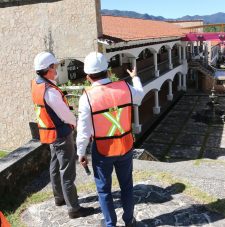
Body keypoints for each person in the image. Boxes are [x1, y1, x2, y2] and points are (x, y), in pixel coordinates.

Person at [76, 52, 144, 227]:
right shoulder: (125, 88)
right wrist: (135, 78)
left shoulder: (87, 98)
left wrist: (81, 152)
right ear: (107, 71)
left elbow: (83, 131)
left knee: (104, 191)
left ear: (88, 76)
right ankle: (129, 221)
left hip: (103, 149)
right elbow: (140, 95)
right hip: (125, 146)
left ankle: (110, 224)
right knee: (127, 187)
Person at [31, 51, 93, 219]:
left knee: (54, 165)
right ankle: (74, 208)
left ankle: (59, 198)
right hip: (61, 134)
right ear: (48, 68)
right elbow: (65, 114)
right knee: (67, 171)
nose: (57, 69)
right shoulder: (50, 91)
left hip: (50, 133)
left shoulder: (37, 85)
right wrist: (74, 123)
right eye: (55, 66)